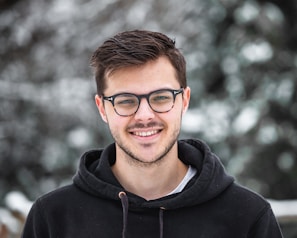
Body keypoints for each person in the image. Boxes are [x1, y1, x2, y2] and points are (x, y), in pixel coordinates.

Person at [21, 30, 283, 238]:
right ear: (102, 108)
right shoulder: (53, 218)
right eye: (125, 100)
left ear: (184, 100)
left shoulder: (247, 217)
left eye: (160, 97)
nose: (144, 115)